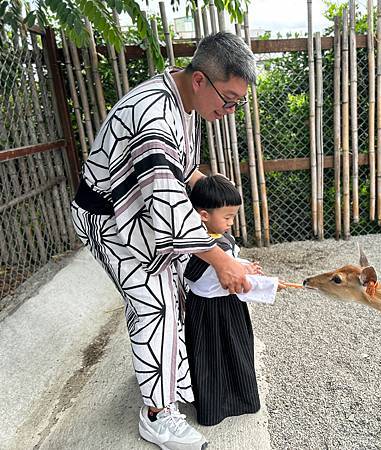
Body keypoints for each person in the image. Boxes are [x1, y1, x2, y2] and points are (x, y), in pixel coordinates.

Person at [70, 32, 256, 450]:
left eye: (236, 103)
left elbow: (183, 173)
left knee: (174, 293)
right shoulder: (153, 113)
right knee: (154, 302)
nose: (229, 110)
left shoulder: (186, 104)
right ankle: (157, 416)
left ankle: (167, 372)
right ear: (199, 80)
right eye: (227, 99)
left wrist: (216, 209)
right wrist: (220, 261)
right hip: (108, 217)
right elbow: (168, 202)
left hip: (140, 207)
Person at [184, 174, 280, 426]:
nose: (231, 222)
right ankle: (214, 408)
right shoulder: (198, 246)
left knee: (238, 351)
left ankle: (244, 399)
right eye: (227, 217)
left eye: (233, 216)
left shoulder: (220, 239)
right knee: (211, 357)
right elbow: (211, 278)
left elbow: (230, 266)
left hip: (230, 307)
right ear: (203, 215)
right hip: (209, 310)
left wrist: (244, 266)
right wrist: (264, 283)